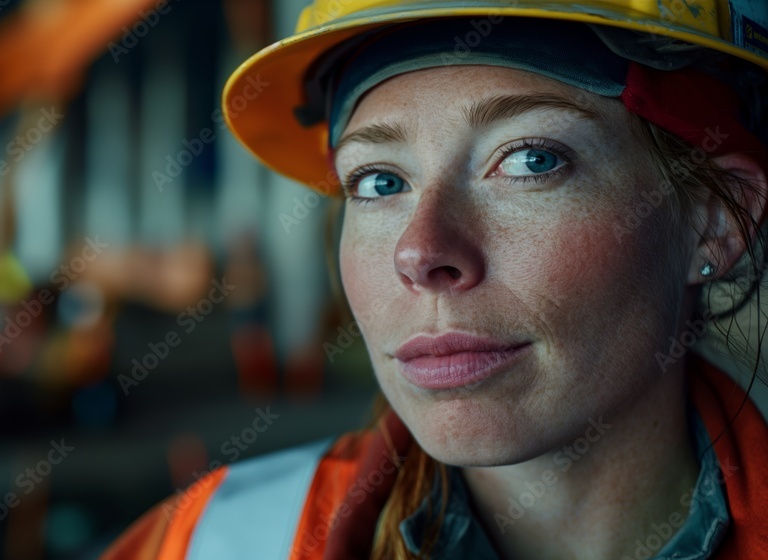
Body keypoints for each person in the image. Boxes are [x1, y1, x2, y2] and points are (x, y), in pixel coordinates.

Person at [102, 1, 768, 558]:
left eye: (530, 160)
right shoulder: (211, 542)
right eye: (379, 181)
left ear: (712, 222)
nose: (420, 253)